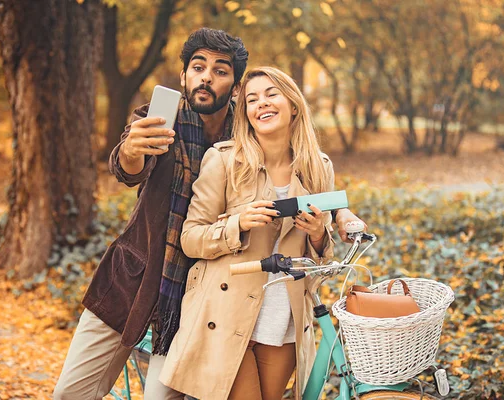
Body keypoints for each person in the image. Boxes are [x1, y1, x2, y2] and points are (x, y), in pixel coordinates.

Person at [54, 27, 365, 399]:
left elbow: (309, 181)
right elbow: (128, 166)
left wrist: (338, 217)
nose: (206, 77)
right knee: (70, 393)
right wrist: (132, 149)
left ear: (234, 86)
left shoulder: (249, 132)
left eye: (220, 70)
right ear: (184, 76)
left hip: (199, 292)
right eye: (198, 67)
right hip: (135, 279)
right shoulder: (162, 121)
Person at [158, 67, 335, 400]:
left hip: (283, 319)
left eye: (271, 94)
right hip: (225, 313)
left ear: (293, 105)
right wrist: (237, 224)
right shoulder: (225, 161)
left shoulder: (317, 166)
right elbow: (190, 237)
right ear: (247, 114)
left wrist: (317, 234)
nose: (261, 104)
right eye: (252, 99)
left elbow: (321, 255)